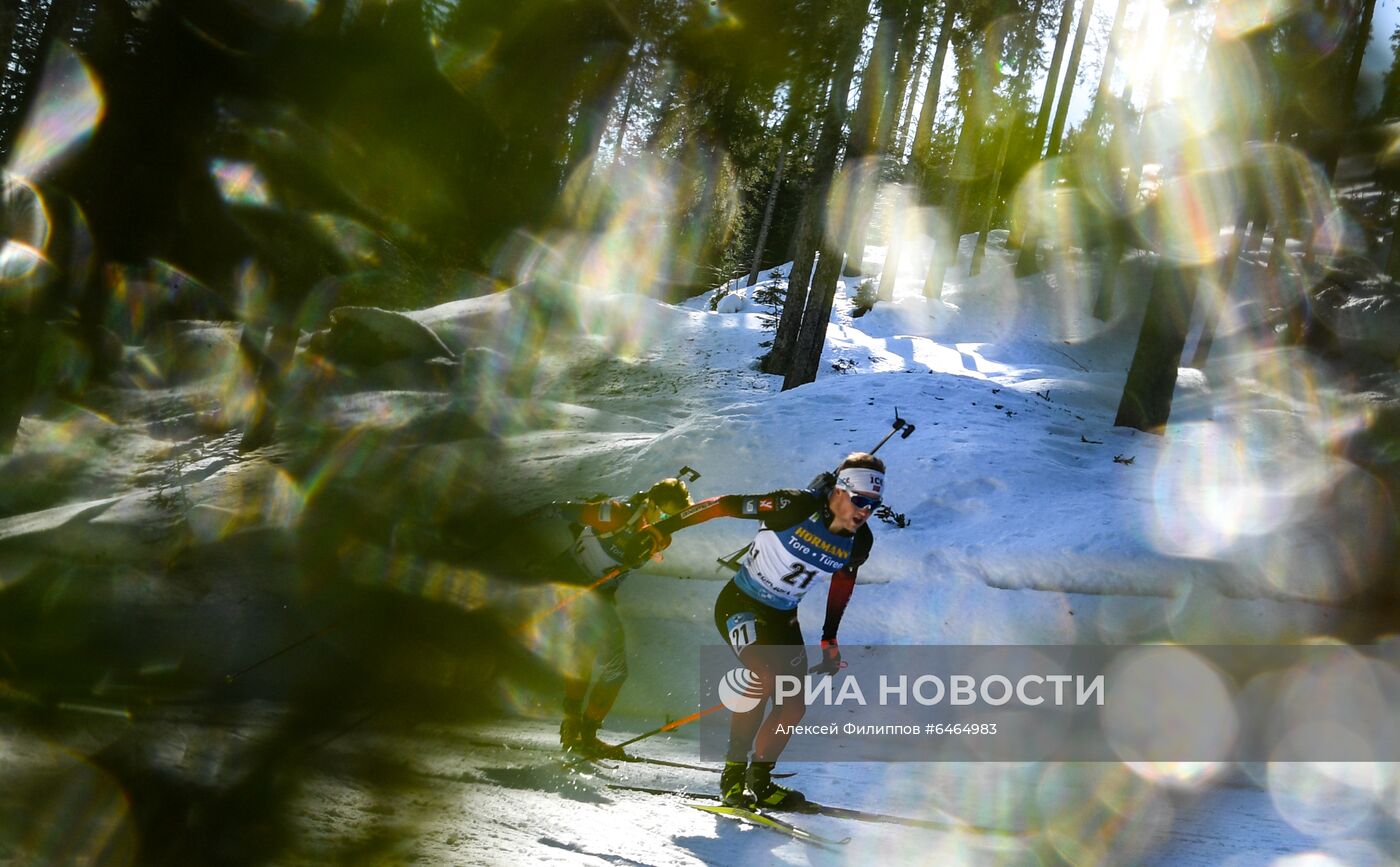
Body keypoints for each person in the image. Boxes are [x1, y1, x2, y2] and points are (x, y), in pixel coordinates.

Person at [629, 453, 883, 808]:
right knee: (763, 676)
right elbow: (722, 505)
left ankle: (760, 781)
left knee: (793, 706)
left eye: (874, 504)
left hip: (783, 616)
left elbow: (843, 582)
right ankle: (732, 776)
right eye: (859, 500)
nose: (865, 511)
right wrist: (662, 528)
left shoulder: (860, 542)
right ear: (839, 491)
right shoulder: (792, 505)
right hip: (742, 603)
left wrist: (829, 637)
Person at [545, 477, 693, 759]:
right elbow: (564, 510)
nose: (665, 521)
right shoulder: (617, 512)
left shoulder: (657, 533)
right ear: (651, 502)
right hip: (574, 588)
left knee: (590, 661)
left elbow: (648, 546)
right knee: (610, 668)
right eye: (663, 514)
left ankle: (577, 728)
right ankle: (581, 732)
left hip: (596, 597)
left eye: (671, 519)